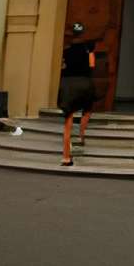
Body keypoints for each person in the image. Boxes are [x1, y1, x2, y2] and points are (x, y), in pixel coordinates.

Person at [58, 22, 97, 168]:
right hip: (84, 82)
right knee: (87, 111)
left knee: (68, 122)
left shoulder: (66, 51)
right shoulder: (88, 49)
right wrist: (91, 52)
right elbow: (92, 65)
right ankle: (81, 133)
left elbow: (62, 66)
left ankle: (66, 157)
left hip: (68, 84)